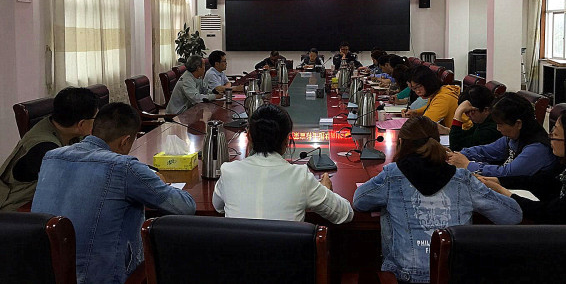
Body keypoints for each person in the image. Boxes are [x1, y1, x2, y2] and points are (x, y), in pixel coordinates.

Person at [32, 102, 196, 284]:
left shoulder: (51, 156)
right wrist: (162, 183)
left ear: (93, 129)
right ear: (125, 141)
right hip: (100, 277)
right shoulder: (124, 167)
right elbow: (185, 207)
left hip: (45, 273)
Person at [353, 116, 522, 283]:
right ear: (438, 142)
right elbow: (512, 215)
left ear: (402, 143)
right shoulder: (463, 179)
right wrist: (497, 189)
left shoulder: (392, 175)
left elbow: (359, 200)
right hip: (455, 274)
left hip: (405, 276)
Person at [213, 104, 353, 224]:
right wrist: (325, 191)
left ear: (249, 136)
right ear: (287, 141)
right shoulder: (300, 177)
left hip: (237, 249)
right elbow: (345, 214)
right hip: (286, 249)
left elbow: (218, 206)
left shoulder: (229, 171)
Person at [479, 108, 566, 224]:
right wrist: (499, 181)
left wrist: (505, 193)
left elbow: (551, 213)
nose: (550, 137)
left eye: (555, 134)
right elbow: (542, 182)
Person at [0, 86, 99, 212]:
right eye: (95, 118)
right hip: (16, 208)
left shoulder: (58, 125)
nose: (97, 122)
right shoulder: (46, 150)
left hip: (40, 196)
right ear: (81, 124)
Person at [447, 92, 557, 177]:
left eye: (500, 124)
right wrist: (456, 155)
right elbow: (486, 151)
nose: (498, 129)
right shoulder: (513, 136)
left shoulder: (537, 148)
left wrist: (467, 165)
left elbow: (506, 173)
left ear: (518, 123)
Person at [444, 85, 502, 150]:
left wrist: (458, 113)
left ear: (486, 110)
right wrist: (445, 130)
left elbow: (456, 147)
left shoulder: (491, 130)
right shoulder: (482, 121)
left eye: (471, 111)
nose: (468, 116)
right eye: (466, 112)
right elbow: (466, 135)